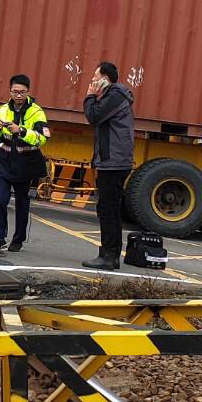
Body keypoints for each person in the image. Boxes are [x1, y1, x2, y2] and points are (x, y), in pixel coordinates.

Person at [0, 74, 49, 252]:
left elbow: (42, 139)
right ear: (10, 91)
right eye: (15, 92)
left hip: (25, 166)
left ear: (28, 92)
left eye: (22, 92)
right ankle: (0, 238)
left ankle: (18, 239)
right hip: (2, 162)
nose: (18, 95)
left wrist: (20, 131)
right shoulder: (2, 110)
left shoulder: (36, 112)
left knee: (22, 203)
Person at [81, 62, 135, 270]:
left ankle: (109, 256)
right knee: (108, 208)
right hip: (111, 160)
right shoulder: (114, 96)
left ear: (105, 78)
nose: (93, 81)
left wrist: (89, 95)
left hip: (114, 161)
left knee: (107, 208)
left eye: (95, 77)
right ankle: (109, 255)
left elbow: (93, 116)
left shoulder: (115, 96)